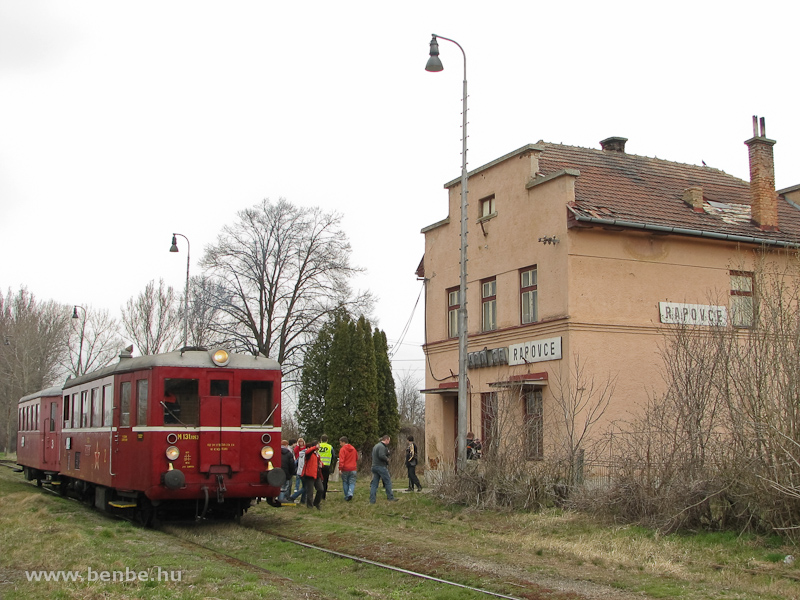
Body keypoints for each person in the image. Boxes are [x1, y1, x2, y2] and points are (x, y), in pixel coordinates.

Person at [369, 434, 397, 504]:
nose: (389, 442)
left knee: (374, 484)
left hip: (374, 466)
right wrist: (387, 459)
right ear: (386, 439)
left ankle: (372, 500)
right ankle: (390, 497)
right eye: (389, 440)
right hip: (381, 466)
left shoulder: (376, 446)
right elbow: (381, 455)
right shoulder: (382, 447)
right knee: (387, 481)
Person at [300, 440, 324, 510]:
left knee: (321, 489)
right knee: (310, 492)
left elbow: (319, 461)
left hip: (317, 474)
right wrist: (314, 448)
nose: (319, 446)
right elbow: (307, 452)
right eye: (318, 445)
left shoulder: (317, 454)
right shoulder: (309, 453)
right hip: (309, 474)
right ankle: (310, 506)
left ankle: (316, 503)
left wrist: (321, 465)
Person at [338, 436, 358, 501]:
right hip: (353, 468)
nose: (340, 444)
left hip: (345, 468)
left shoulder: (342, 449)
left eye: (340, 443)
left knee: (345, 482)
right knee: (352, 482)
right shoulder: (353, 449)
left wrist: (340, 468)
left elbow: (341, 460)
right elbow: (357, 458)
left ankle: (347, 496)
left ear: (344, 442)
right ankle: (350, 493)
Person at [318, 434, 337, 500]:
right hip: (326, 466)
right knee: (325, 481)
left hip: (318, 465)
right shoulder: (330, 447)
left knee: (318, 481)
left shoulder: (318, 446)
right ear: (327, 440)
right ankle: (323, 496)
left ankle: (318, 495)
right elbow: (333, 456)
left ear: (321, 440)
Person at [289, 438, 306, 503]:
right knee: (305, 487)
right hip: (302, 470)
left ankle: (302, 500)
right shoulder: (298, 450)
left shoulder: (302, 450)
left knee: (305, 486)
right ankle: (295, 494)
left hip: (300, 469)